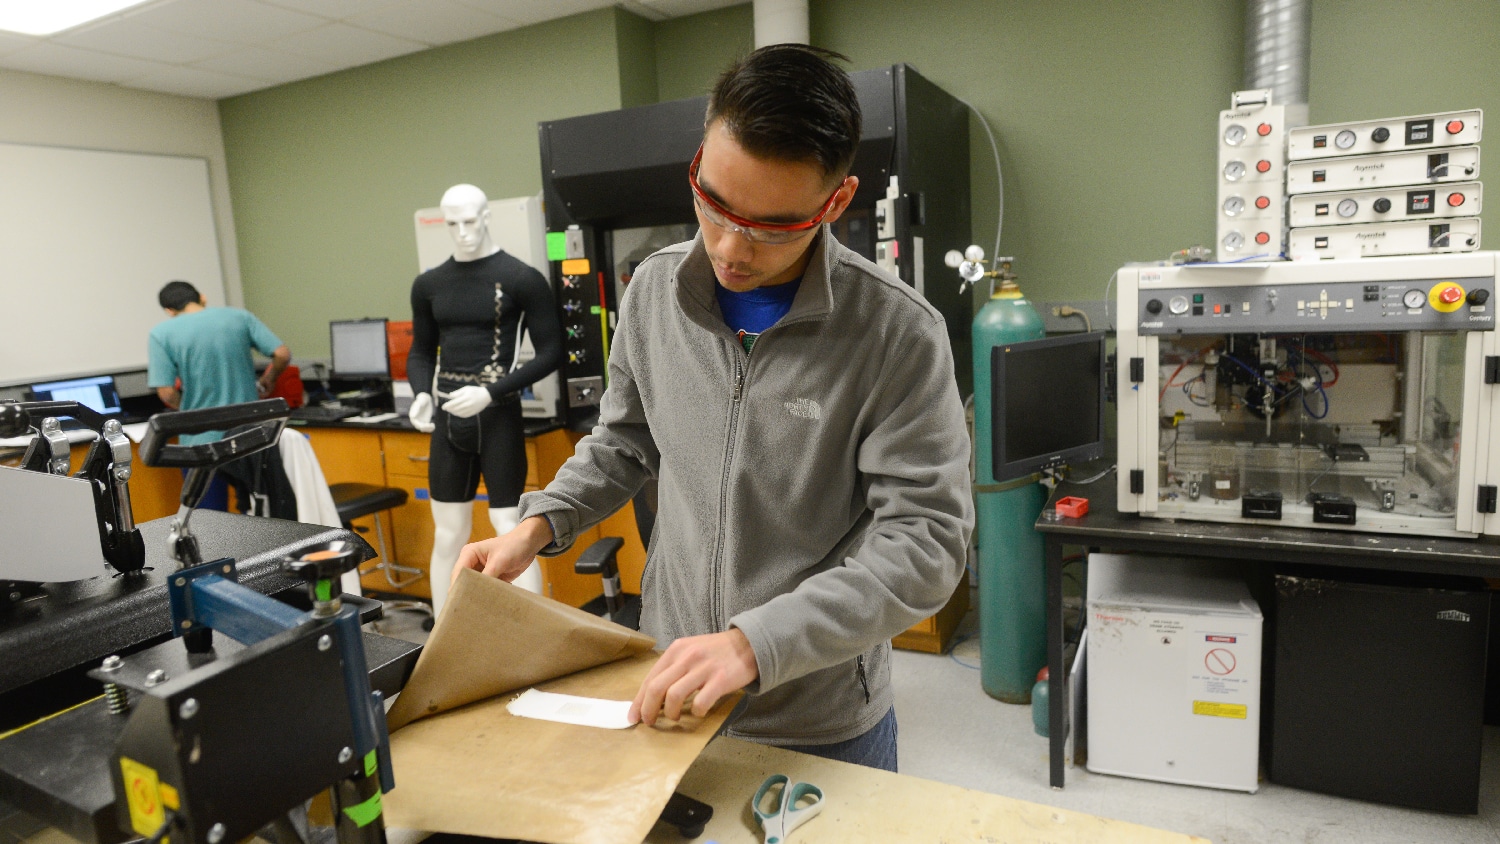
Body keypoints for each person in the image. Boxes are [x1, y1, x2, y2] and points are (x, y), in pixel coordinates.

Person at [454, 45, 972, 772]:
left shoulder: (895, 334)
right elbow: (625, 443)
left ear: (835, 202)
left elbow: (926, 542)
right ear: (700, 156)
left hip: (819, 716)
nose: (730, 247)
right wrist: (539, 524)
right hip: (672, 684)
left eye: (771, 228)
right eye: (713, 203)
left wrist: (754, 644)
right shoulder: (653, 294)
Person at [406, 184, 562, 616]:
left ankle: (530, 638)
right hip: (448, 421)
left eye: (469, 220)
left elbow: (552, 352)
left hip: (498, 418)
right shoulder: (429, 284)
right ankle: (444, 632)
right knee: (447, 534)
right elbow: (420, 351)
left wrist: (492, 391)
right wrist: (422, 393)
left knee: (511, 530)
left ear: (486, 216)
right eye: (451, 223)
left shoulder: (520, 278)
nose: (462, 232)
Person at [147, 280, 291, 510]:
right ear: (202, 298)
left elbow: (166, 392)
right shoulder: (239, 317)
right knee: (263, 514)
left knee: (211, 524)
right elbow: (282, 354)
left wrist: (189, 407)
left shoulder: (161, 333)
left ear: (169, 311)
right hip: (250, 438)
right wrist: (269, 379)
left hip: (201, 444)